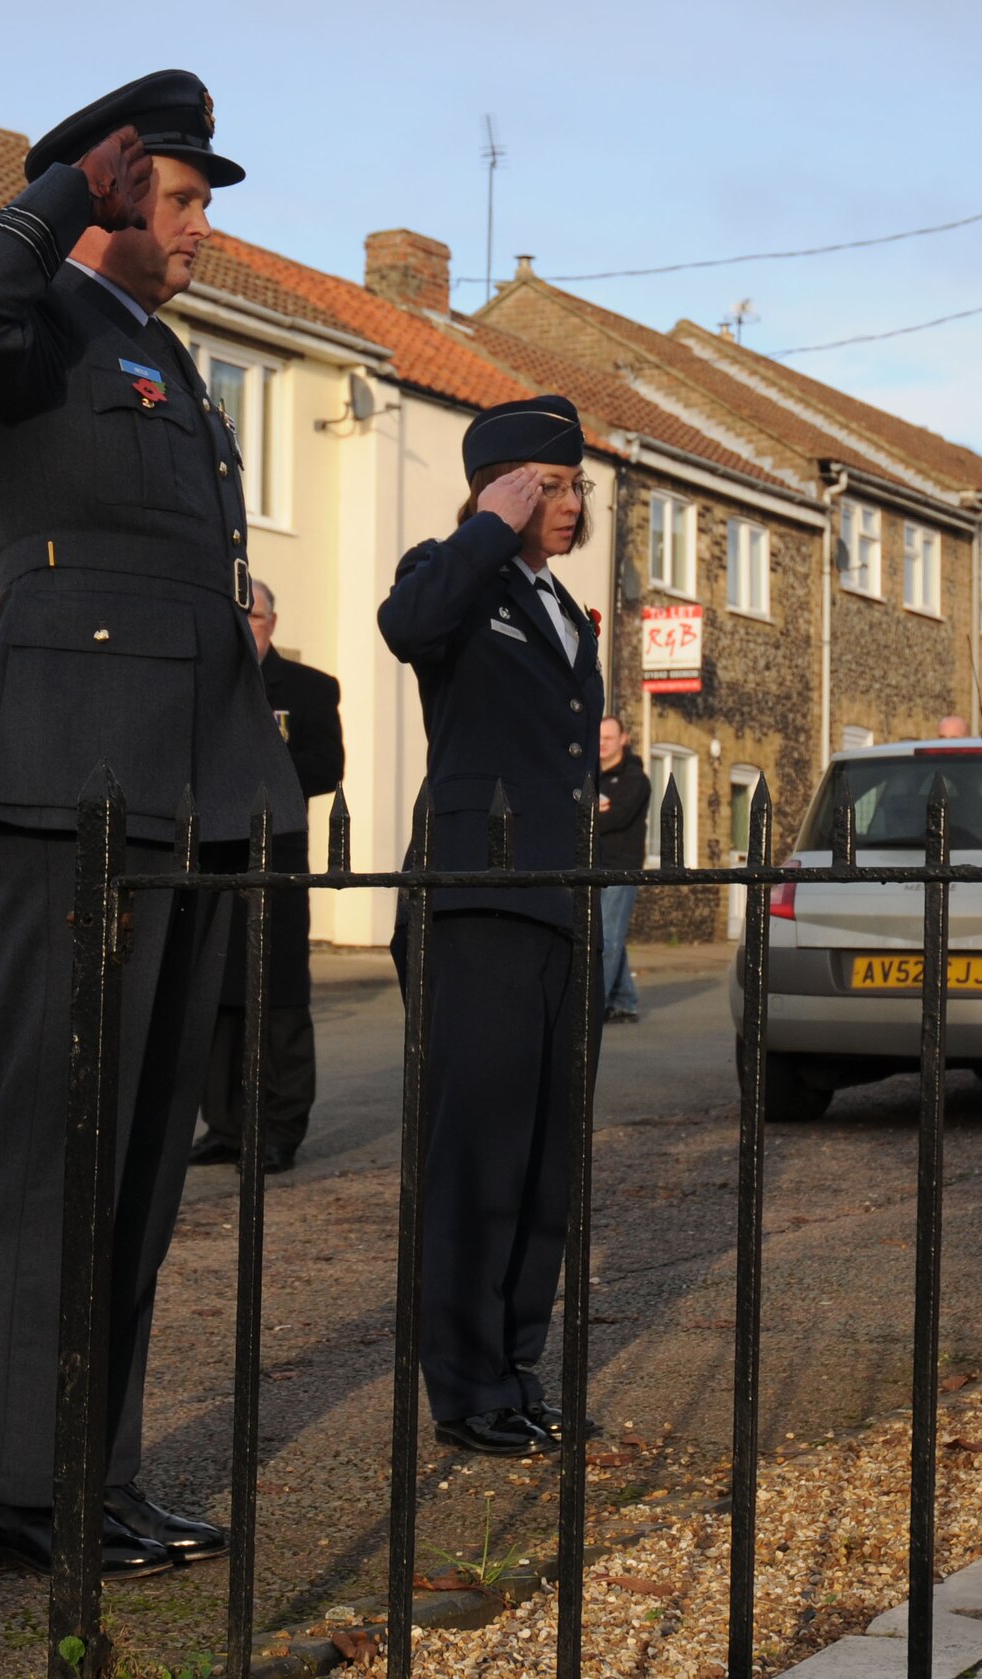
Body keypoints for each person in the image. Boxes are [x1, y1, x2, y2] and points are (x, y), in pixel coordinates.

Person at [0, 71, 302, 1579]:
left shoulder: (167, 359)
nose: (204, 231)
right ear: (114, 189)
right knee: (53, 1150)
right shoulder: (33, 320)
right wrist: (69, 184)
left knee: (136, 1161)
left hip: (183, 782)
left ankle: (98, 1463)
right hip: (74, 777)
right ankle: (26, 1483)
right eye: (184, 198)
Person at [378, 394, 604, 1458]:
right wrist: (484, 523)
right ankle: (463, 1385)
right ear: (498, 486)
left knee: (541, 1157)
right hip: (473, 898)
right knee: (475, 1152)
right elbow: (407, 627)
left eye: (574, 486)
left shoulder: (560, 608)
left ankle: (514, 1368)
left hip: (555, 898)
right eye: (548, 485)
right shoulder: (452, 572)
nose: (569, 504)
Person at [191, 578, 344, 1173]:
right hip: (212, 857)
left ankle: (280, 1126)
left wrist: (252, 770)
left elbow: (326, 766)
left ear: (271, 622)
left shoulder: (308, 689)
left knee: (277, 998)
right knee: (218, 996)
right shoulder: (204, 685)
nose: (240, 624)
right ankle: (226, 1125)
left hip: (276, 861)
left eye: (250, 615)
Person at [594, 716, 649, 1024]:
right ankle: (625, 1001)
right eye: (598, 737)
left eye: (609, 738)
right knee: (610, 935)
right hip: (595, 865)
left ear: (623, 739)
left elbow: (618, 818)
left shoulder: (635, 779)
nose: (602, 743)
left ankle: (594, 1003)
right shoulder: (592, 775)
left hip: (621, 869)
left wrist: (591, 815)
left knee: (608, 938)